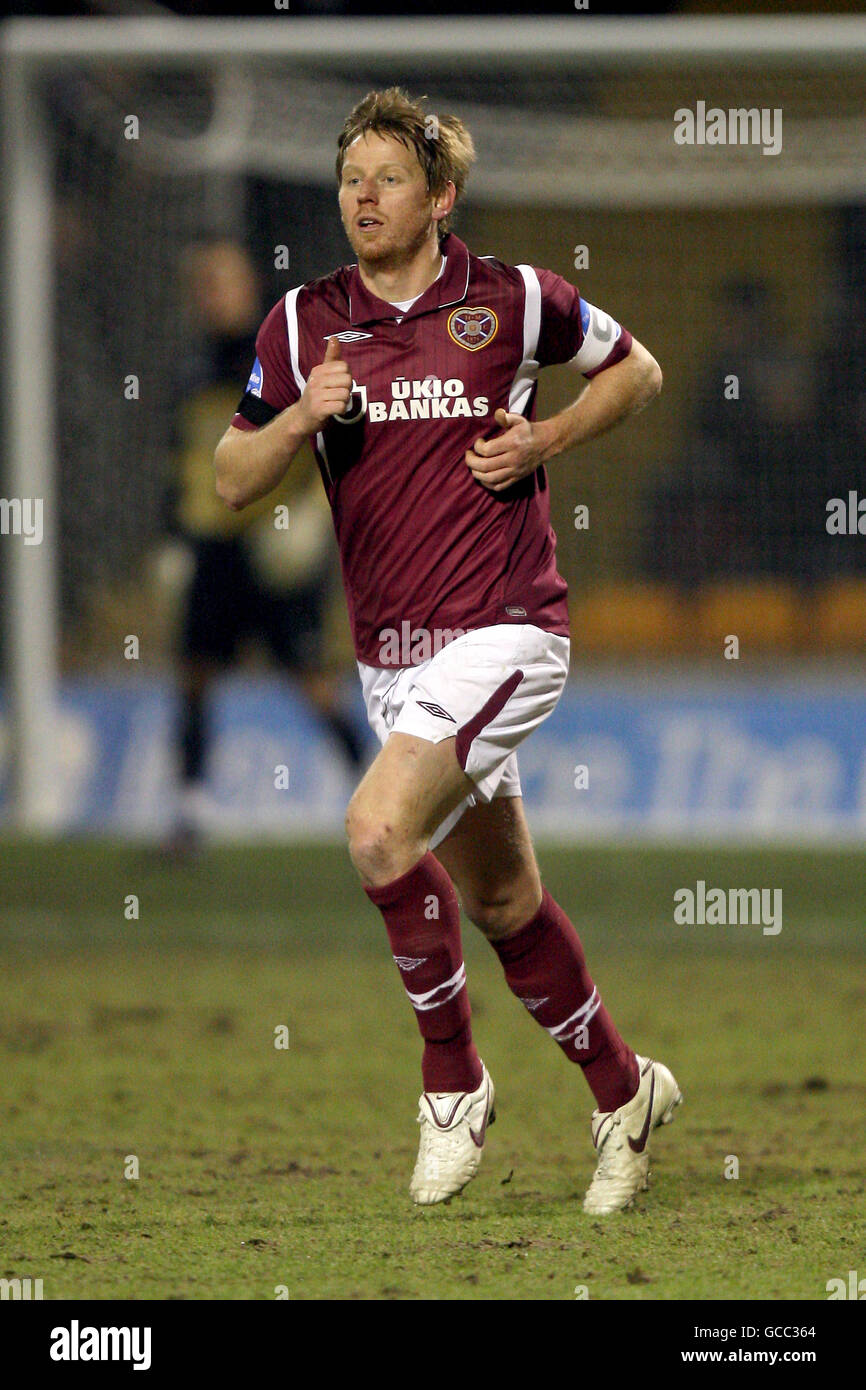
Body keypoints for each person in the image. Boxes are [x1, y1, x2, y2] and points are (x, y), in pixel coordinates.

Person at [214, 89, 679, 1215]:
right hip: (391, 660)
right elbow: (230, 479)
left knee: (376, 829)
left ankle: (451, 1082)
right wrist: (294, 419)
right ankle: (624, 1090)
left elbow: (638, 370)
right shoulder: (300, 323)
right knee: (507, 899)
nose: (361, 198)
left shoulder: (511, 299)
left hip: (510, 629)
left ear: (439, 197)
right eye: (348, 179)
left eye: (385, 179)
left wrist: (547, 434)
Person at [164, 238, 365, 851]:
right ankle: (191, 815)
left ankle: (377, 796)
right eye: (203, 284)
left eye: (222, 282)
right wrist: (169, 540)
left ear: (249, 285)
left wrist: (312, 510)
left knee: (312, 682)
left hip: (274, 546)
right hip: (213, 548)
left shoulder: (280, 354)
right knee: (194, 675)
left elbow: (337, 430)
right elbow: (180, 465)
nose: (213, 296)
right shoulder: (190, 372)